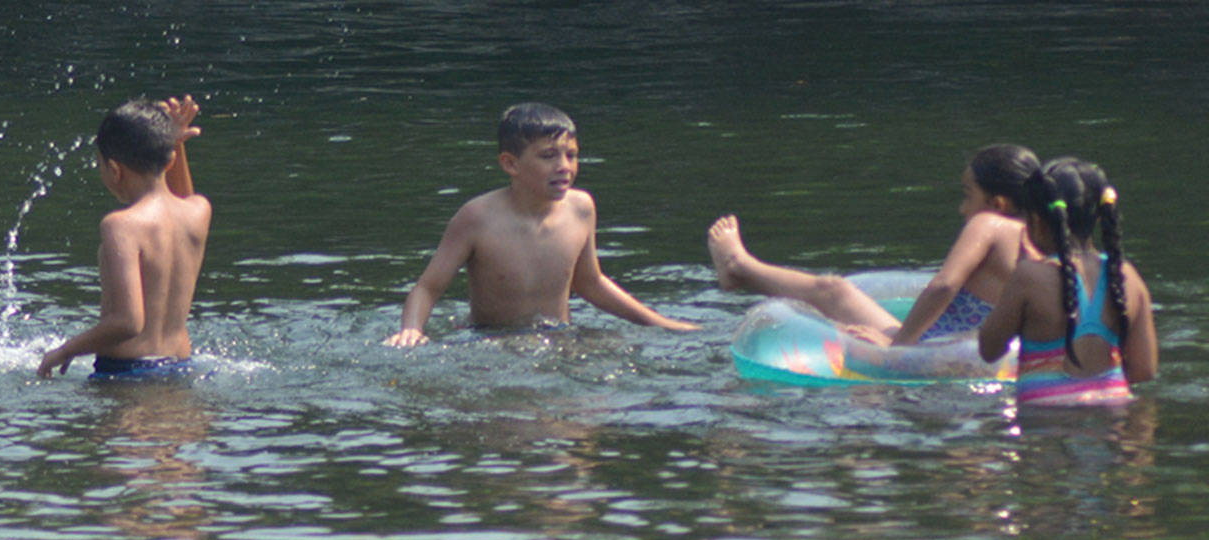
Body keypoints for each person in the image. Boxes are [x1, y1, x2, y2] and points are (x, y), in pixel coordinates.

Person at [385, 102, 697, 345]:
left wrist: (658, 323)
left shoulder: (581, 208)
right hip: (491, 340)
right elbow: (428, 287)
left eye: (571, 155)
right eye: (548, 156)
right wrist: (411, 331)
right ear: (511, 164)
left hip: (559, 337)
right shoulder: (477, 218)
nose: (564, 167)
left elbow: (590, 283)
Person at [707, 144, 1042, 346]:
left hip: (928, 347)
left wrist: (898, 345)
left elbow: (944, 286)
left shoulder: (989, 224)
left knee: (834, 290)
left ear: (998, 203)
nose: (962, 208)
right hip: (968, 348)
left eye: (968, 195)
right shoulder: (1041, 240)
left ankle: (739, 268)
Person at [38, 95, 211, 379]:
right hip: (181, 371)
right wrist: (175, 144)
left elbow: (128, 322)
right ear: (170, 160)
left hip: (125, 376)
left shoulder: (121, 226)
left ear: (115, 170)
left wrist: (65, 350)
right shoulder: (199, 212)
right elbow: (179, 200)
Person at [978, 157, 1157, 407]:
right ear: (1098, 218)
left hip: (1046, 420)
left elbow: (989, 349)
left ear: (1036, 222)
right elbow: (1144, 370)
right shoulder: (1128, 276)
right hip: (1114, 409)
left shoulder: (1028, 276)